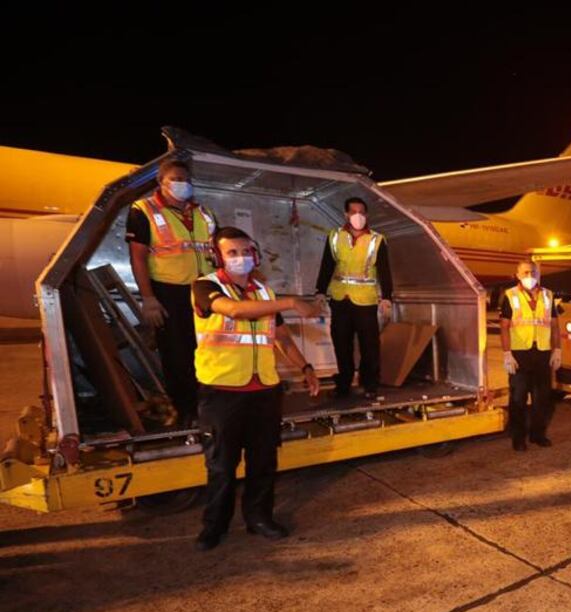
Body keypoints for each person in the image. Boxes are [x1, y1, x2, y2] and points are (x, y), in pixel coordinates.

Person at [192, 227, 322, 552]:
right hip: (222, 391)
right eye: (232, 253)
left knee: (263, 462)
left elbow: (280, 337)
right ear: (218, 257)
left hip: (264, 390)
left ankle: (259, 519)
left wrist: (305, 368)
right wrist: (291, 301)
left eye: (246, 252)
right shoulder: (205, 286)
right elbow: (234, 311)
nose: (240, 258)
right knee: (222, 466)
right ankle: (214, 527)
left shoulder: (264, 292)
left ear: (256, 255)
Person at [126, 157, 218, 423]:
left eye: (186, 180)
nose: (182, 184)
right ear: (161, 182)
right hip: (169, 292)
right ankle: (187, 411)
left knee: (208, 350)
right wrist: (148, 298)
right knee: (177, 354)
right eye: (175, 180)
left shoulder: (204, 213)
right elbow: (138, 256)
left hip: (203, 291)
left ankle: (209, 405)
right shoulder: (144, 210)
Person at [315, 198, 393, 398]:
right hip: (340, 299)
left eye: (362, 212)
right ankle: (344, 383)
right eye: (353, 211)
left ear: (366, 215)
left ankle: (370, 385)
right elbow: (327, 265)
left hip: (365, 301)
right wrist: (320, 291)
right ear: (346, 214)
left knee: (370, 345)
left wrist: (387, 297)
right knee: (341, 343)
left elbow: (384, 270)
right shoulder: (334, 237)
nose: (358, 215)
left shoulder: (377, 239)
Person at [499, 261, 561, 451]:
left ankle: (537, 435)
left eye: (533, 272)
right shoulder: (510, 296)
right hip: (520, 355)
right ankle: (518, 438)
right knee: (518, 399)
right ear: (517, 275)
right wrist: (507, 354)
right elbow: (504, 327)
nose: (529, 275)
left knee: (541, 398)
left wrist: (557, 350)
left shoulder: (548, 295)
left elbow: (555, 326)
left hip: (542, 354)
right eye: (525, 272)